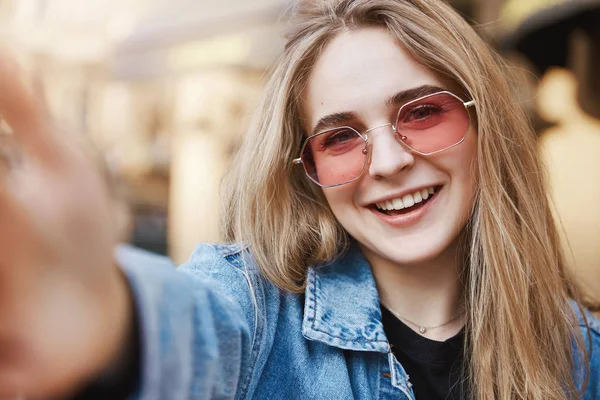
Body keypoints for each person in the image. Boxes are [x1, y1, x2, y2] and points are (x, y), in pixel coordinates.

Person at [0, 0, 598, 399]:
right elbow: (189, 333)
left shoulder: (581, 353)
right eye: (339, 137)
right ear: (308, 170)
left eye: (421, 113)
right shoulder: (257, 313)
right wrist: (111, 328)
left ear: (483, 124)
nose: (388, 162)